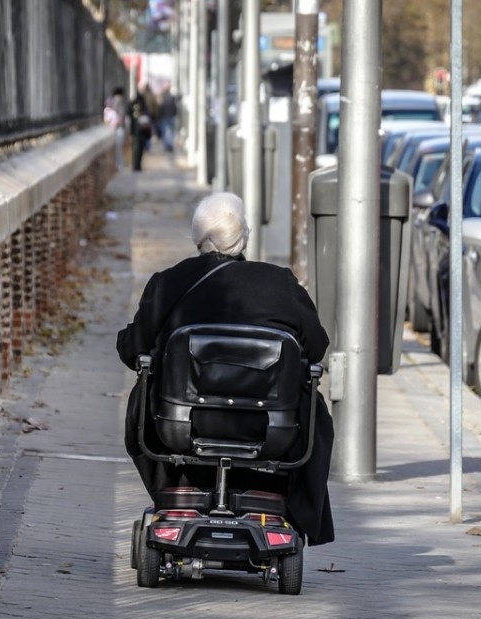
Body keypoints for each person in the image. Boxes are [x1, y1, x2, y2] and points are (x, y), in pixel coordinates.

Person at [116, 192, 335, 546]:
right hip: (270, 430)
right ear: (244, 236)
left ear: (197, 238)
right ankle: (283, 501)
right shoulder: (281, 284)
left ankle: (178, 487)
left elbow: (132, 350)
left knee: (145, 388)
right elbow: (317, 347)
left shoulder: (169, 283)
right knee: (313, 403)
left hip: (182, 426)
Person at [127, 87, 152, 171]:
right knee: (139, 148)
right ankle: (137, 165)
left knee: (136, 147)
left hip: (136, 129)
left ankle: (136, 164)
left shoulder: (133, 103)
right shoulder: (142, 103)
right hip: (141, 130)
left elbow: (129, 113)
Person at [103, 86, 126, 169]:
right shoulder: (118, 101)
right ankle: (119, 164)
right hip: (118, 127)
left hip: (114, 127)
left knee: (117, 147)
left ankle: (118, 163)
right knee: (118, 147)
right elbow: (120, 114)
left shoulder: (111, 101)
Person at [156, 83, 178, 153]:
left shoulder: (163, 96)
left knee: (166, 132)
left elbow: (160, 107)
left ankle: (168, 146)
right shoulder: (171, 97)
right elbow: (175, 108)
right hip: (169, 116)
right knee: (169, 132)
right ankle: (169, 145)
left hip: (165, 117)